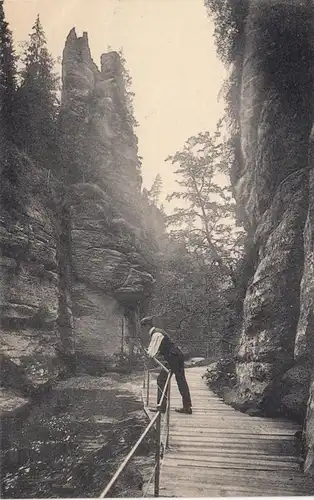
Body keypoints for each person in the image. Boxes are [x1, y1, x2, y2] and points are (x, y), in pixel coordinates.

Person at [140, 316, 192, 415]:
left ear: (147, 326)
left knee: (161, 380)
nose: (143, 330)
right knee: (181, 380)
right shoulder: (159, 332)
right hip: (177, 356)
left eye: (143, 327)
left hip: (173, 357)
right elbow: (161, 348)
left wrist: (147, 353)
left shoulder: (156, 334)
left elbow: (152, 352)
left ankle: (161, 407)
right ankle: (187, 406)